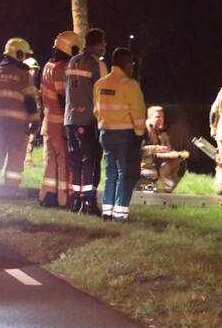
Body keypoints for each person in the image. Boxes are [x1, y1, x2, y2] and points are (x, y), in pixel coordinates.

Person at [94, 48, 146, 221]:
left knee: (110, 174)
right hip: (125, 136)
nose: (132, 66)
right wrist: (139, 134)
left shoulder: (100, 84)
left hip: (105, 134)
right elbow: (138, 112)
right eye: (131, 63)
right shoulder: (130, 84)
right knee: (126, 174)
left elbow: (96, 110)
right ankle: (120, 214)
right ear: (126, 63)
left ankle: (107, 211)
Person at [0, 38, 39, 187]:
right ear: (18, 54)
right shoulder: (24, 75)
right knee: (16, 155)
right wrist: (35, 120)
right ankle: (11, 188)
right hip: (19, 124)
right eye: (24, 54)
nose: (25, 58)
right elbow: (30, 100)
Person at [65, 28, 109, 214]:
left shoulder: (72, 61)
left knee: (75, 160)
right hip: (89, 119)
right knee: (90, 160)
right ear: (99, 43)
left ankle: (74, 200)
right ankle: (88, 202)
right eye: (104, 43)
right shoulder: (97, 64)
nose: (105, 47)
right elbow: (104, 94)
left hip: (70, 118)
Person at [39, 31, 81, 207]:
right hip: (60, 122)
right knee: (64, 159)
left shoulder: (48, 65)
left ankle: (47, 195)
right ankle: (64, 199)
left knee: (51, 159)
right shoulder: (62, 68)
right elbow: (64, 97)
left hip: (48, 121)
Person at [141, 106, 187, 193]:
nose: (160, 119)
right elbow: (138, 150)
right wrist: (156, 149)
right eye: (157, 117)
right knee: (166, 167)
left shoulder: (160, 130)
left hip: (158, 160)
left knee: (181, 163)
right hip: (145, 164)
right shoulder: (143, 131)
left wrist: (171, 150)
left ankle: (166, 190)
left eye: (162, 117)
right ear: (149, 118)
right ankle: (160, 191)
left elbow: (165, 146)